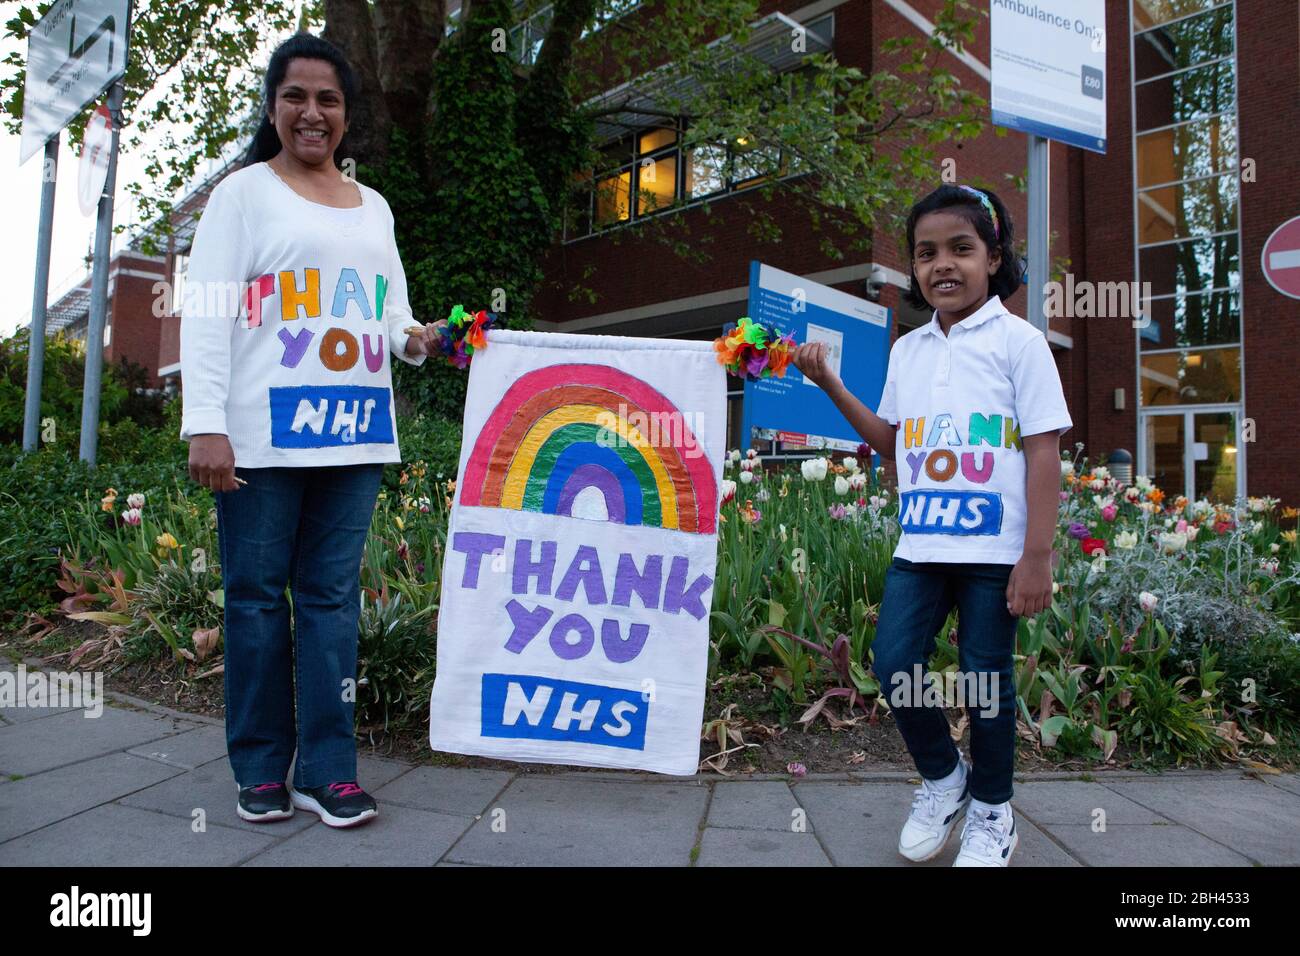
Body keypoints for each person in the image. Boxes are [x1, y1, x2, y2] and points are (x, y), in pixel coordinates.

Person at [179, 33, 444, 828]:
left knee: (331, 604)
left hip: (356, 437)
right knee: (256, 602)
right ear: (272, 107)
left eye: (328, 99)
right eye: (296, 95)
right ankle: (260, 769)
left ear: (346, 115)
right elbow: (209, 312)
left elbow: (389, 316)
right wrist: (205, 425)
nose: (312, 112)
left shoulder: (376, 208)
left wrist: (418, 339)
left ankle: (327, 771)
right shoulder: (243, 195)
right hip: (260, 438)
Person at [792, 184, 1071, 866]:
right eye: (925, 253)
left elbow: (1044, 451)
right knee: (892, 662)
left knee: (986, 680)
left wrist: (1037, 555)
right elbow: (890, 442)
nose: (942, 265)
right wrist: (829, 383)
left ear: (994, 256)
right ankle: (945, 779)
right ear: (914, 268)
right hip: (920, 546)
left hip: (994, 551)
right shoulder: (909, 350)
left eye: (961, 249)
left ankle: (993, 813)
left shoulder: (1020, 343)